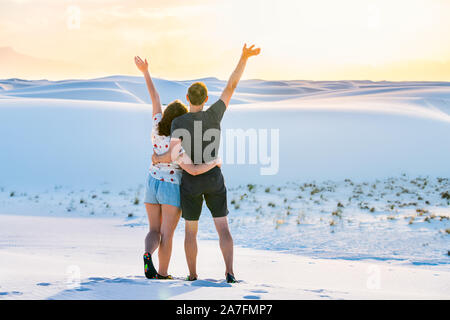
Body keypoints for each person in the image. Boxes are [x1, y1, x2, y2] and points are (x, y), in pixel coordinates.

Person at [152, 44, 261, 283]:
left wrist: (161, 159)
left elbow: (173, 155)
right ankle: (230, 272)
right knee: (223, 228)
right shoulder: (214, 114)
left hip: (190, 181)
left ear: (188, 98)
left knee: (191, 231)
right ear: (207, 99)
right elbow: (231, 86)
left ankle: (192, 274)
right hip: (214, 178)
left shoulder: (178, 121)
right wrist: (244, 58)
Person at [134, 56, 221, 280]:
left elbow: (154, 96)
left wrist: (145, 71)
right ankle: (162, 273)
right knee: (167, 234)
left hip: (151, 183)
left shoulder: (156, 125)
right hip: (171, 186)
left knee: (153, 231)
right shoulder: (180, 136)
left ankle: (147, 254)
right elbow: (188, 164)